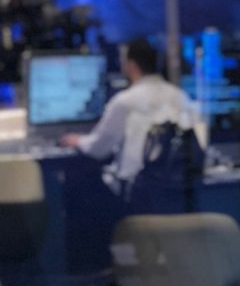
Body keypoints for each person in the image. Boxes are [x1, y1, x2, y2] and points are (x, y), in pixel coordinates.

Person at [61, 38, 195, 196]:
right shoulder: (180, 96)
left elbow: (99, 148)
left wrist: (77, 140)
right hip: (176, 189)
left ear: (131, 66)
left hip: (136, 189)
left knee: (76, 183)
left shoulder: (125, 101)